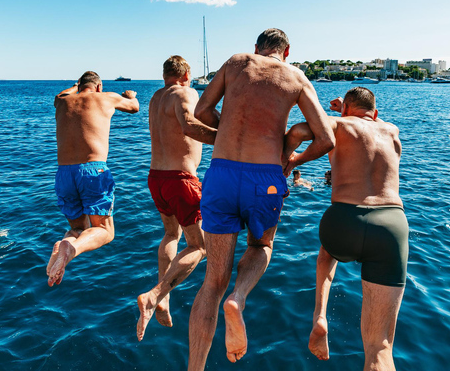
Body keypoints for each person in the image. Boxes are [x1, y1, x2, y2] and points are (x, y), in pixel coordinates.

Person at [187, 28, 335, 369]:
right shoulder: (296, 76)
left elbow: (201, 111)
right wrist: (292, 159)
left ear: (256, 48)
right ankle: (238, 299)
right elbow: (326, 138)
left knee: (212, 281)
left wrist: (228, 128)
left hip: (221, 173)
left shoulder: (236, 62)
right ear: (286, 52)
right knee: (260, 247)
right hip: (264, 177)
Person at [283, 87, 407, 370]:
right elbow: (371, 123)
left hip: (343, 219)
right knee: (379, 348)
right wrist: (351, 111)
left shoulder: (339, 123)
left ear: (346, 109)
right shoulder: (392, 131)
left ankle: (320, 316)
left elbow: (301, 131)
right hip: (390, 226)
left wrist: (292, 159)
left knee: (327, 254)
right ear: (375, 113)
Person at [136, 56, 217, 341]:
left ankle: (163, 299)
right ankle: (155, 295)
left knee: (171, 234)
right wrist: (226, 138)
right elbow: (189, 127)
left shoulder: (156, 98)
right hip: (181, 180)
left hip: (156, 178)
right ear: (186, 74)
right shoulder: (186, 92)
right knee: (200, 246)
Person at [46, 71, 139, 287]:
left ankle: (65, 245)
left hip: (64, 173)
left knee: (77, 230)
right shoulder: (106, 96)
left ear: (80, 86)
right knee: (105, 232)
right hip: (93, 170)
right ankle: (70, 250)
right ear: (99, 86)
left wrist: (75, 86)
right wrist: (131, 94)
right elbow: (135, 108)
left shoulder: (62, 101)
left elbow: (60, 95)